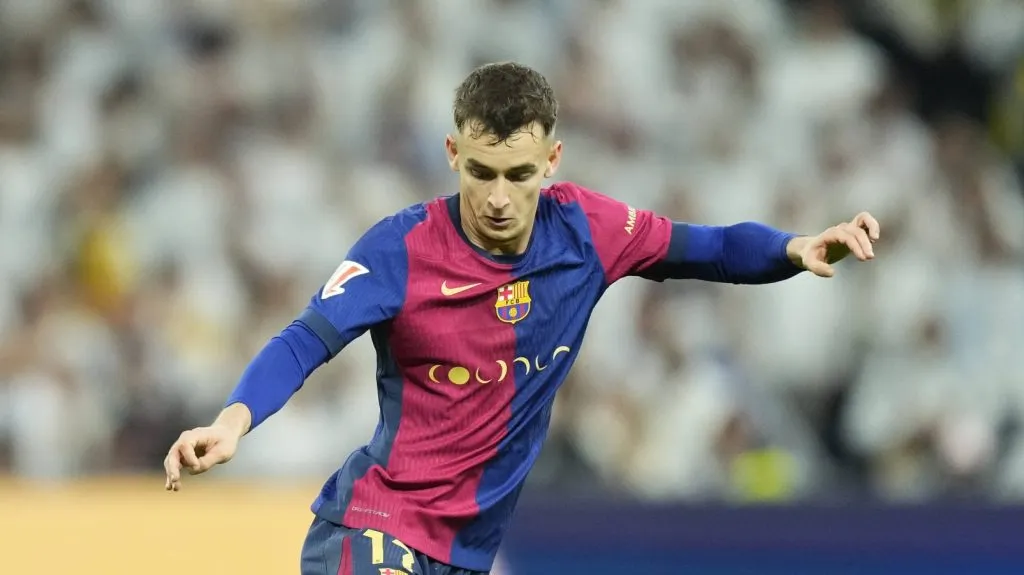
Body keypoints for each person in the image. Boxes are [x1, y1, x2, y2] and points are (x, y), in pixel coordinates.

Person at [163, 61, 880, 575]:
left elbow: (714, 247)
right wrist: (232, 422)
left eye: (519, 174)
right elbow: (304, 339)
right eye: (481, 172)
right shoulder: (400, 248)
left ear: (551, 160)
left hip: (471, 551)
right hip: (375, 528)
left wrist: (794, 247)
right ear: (453, 154)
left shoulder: (591, 230)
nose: (499, 196)